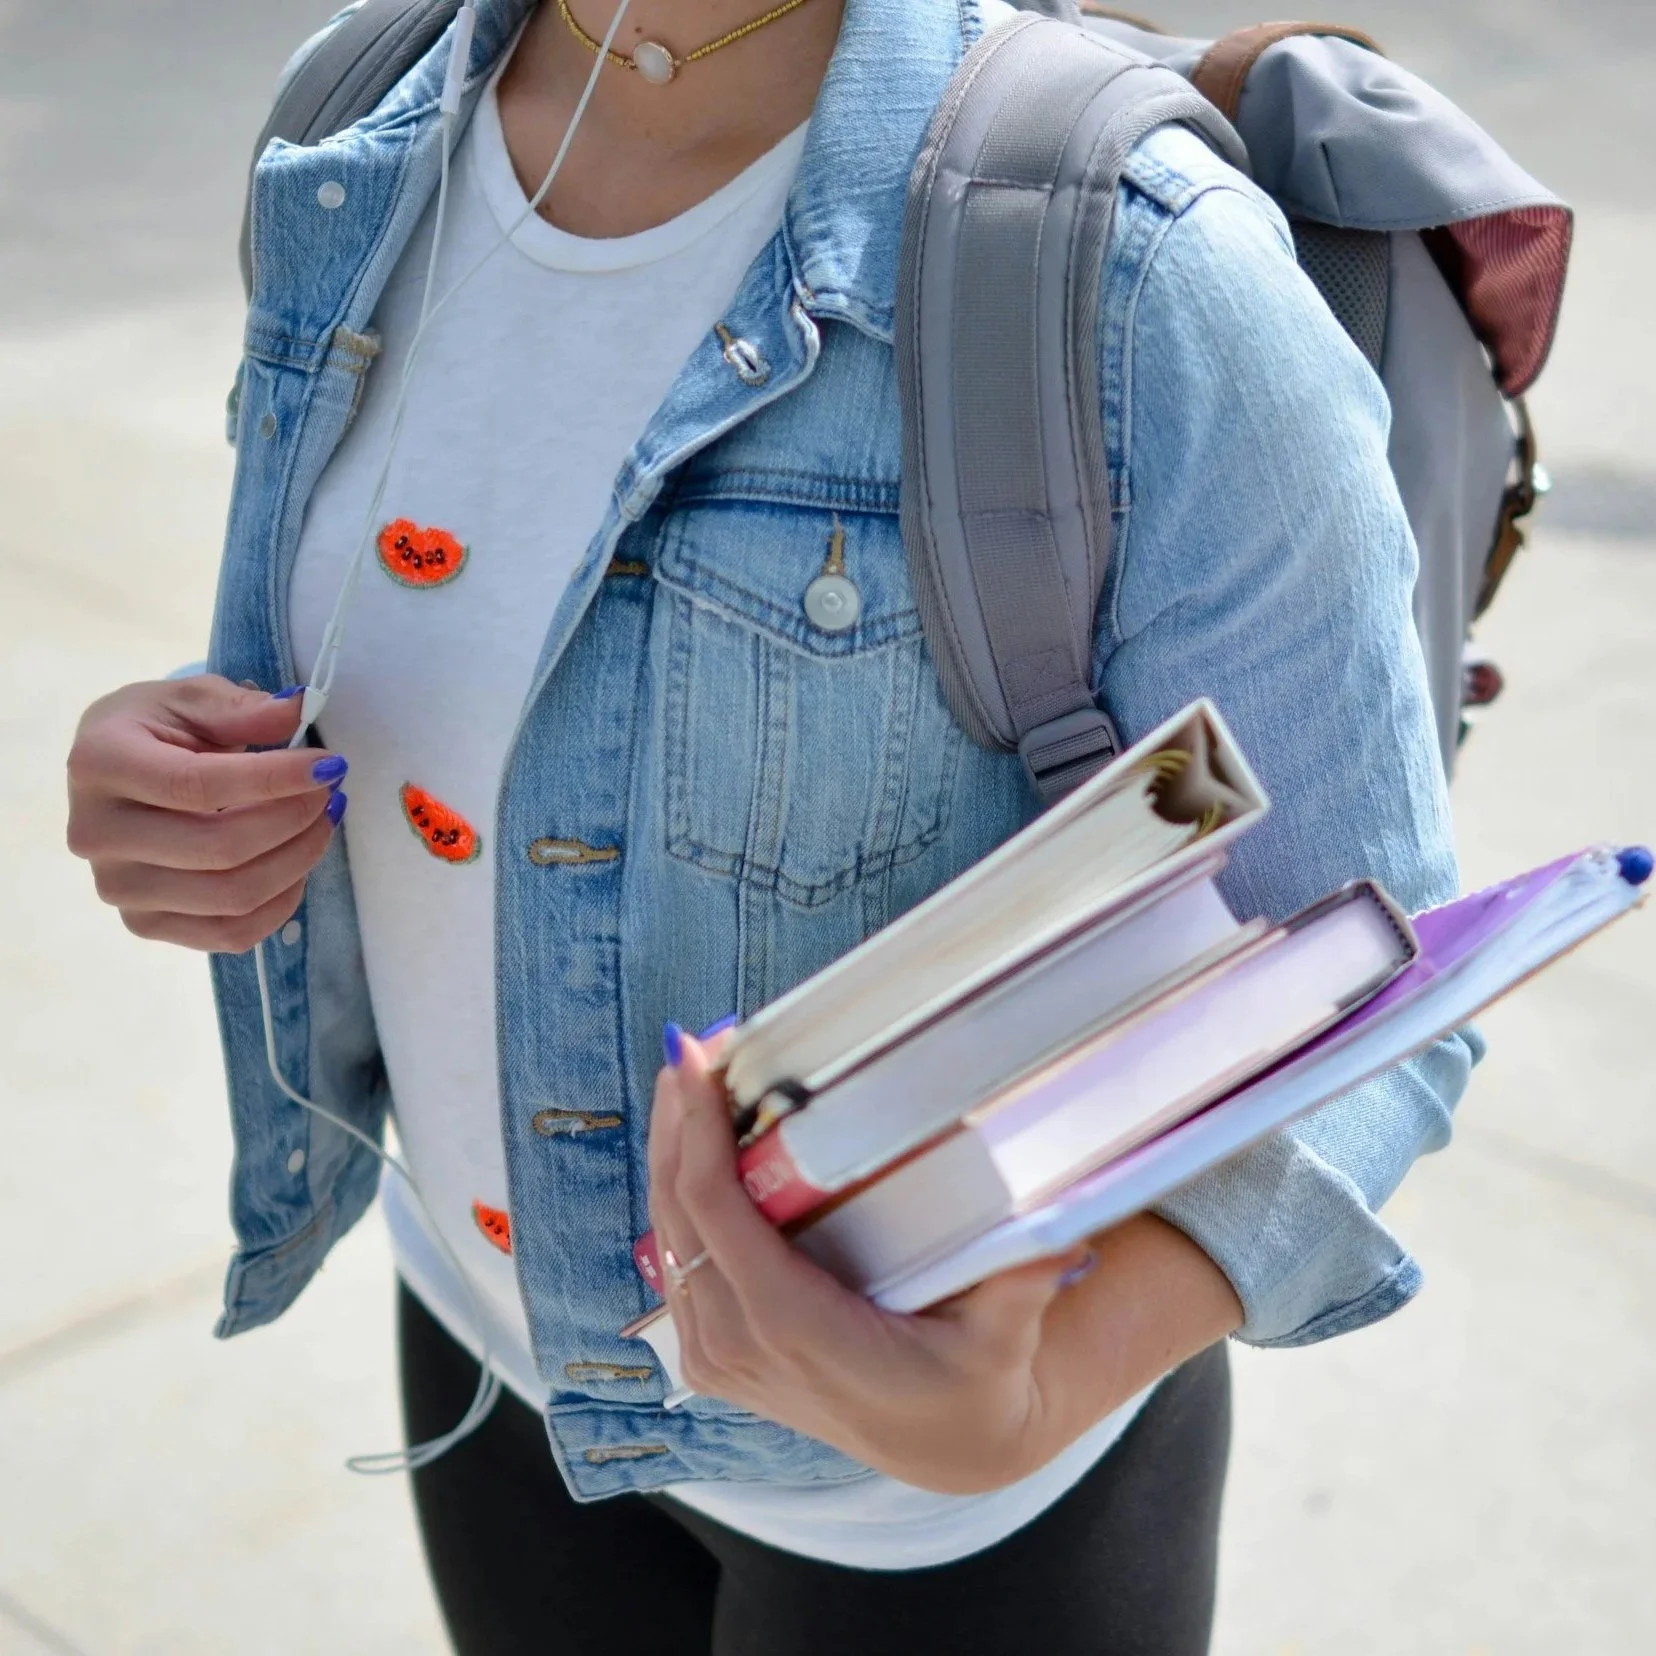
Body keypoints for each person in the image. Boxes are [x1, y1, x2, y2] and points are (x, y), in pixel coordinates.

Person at [64, 1, 1478, 1650]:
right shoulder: (355, 121)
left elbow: (1365, 975)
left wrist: (1033, 1395)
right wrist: (185, 765)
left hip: (939, 1514)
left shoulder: (1135, 267)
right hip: (486, 1339)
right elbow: (454, 630)